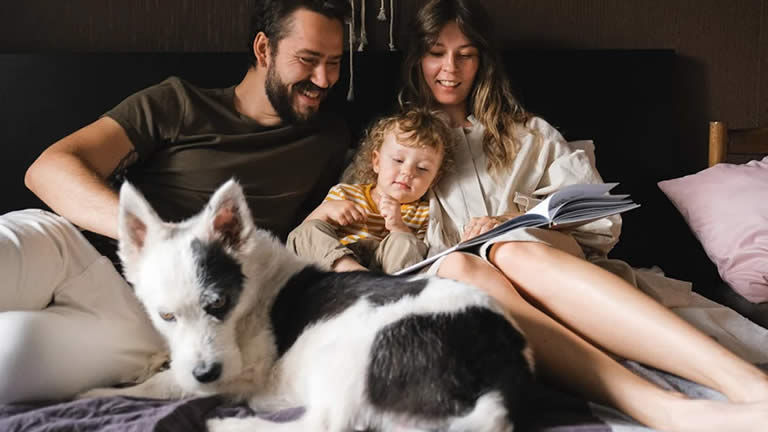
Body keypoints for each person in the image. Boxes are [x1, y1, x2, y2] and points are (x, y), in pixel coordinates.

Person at [397, 0, 768, 431]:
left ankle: (751, 385)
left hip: (554, 270)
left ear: (482, 60)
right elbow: (341, 221)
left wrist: (513, 223)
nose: (451, 67)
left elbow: (597, 229)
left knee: (509, 248)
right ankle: (664, 408)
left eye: (465, 53)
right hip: (468, 293)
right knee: (461, 265)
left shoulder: (529, 134)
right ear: (417, 58)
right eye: (436, 52)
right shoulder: (396, 145)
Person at [0, 0, 351, 404]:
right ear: (263, 49)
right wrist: (154, 242)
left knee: (10, 356)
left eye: (335, 63)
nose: (324, 79)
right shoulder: (179, 102)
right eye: (308, 60)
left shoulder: (329, 140)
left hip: (144, 319)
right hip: (69, 245)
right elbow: (48, 169)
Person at [288, 108, 453, 273]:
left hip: (385, 273)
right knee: (307, 231)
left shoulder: (423, 213)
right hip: (337, 265)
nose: (408, 172)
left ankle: (383, 288)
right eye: (398, 160)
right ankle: (353, 273)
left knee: (405, 241)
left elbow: (419, 257)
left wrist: (399, 226)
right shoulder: (345, 194)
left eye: (422, 168)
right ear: (376, 161)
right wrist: (326, 211)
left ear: (434, 180)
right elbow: (306, 235)